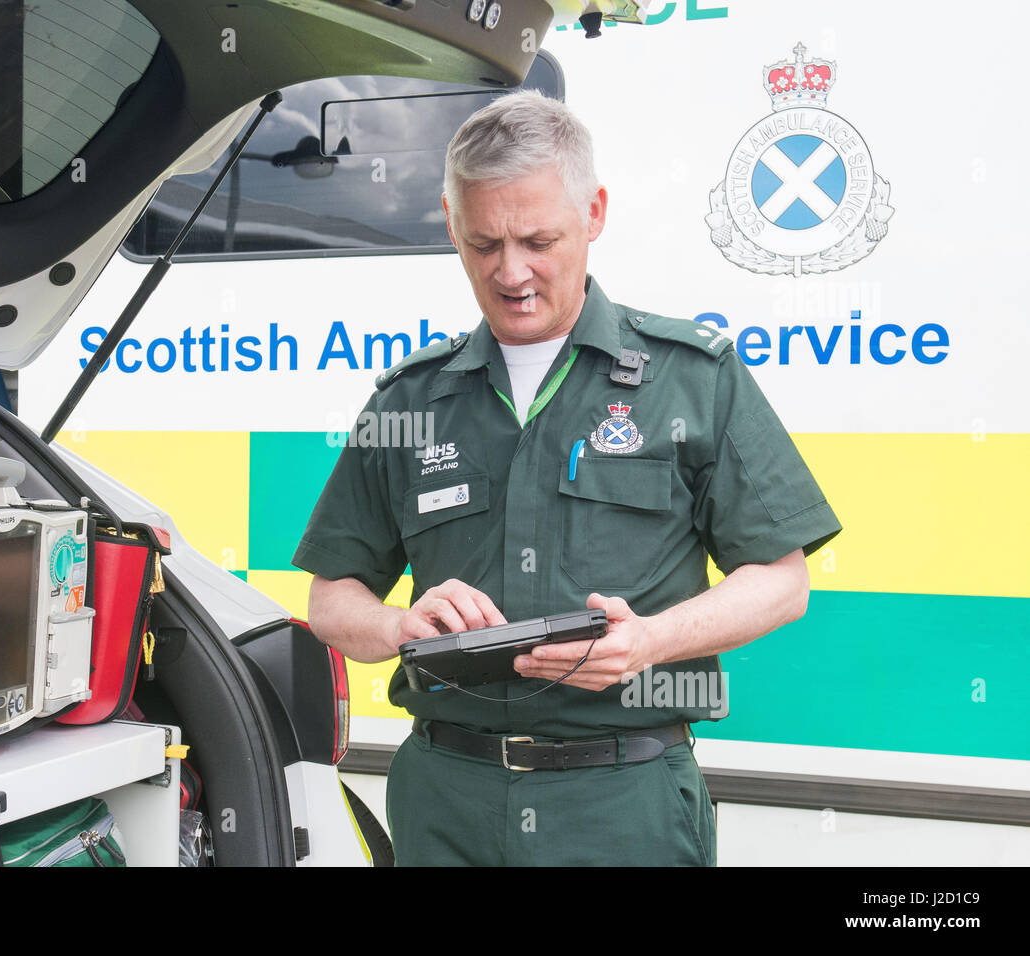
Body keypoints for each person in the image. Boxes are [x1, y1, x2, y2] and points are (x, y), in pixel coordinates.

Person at [292, 90, 841, 866]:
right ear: (451, 222)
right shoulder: (410, 399)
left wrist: (648, 642)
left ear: (595, 213)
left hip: (622, 804)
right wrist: (397, 629)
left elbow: (783, 582)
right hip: (446, 799)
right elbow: (331, 600)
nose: (511, 272)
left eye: (538, 239)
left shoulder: (693, 379)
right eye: (484, 243)